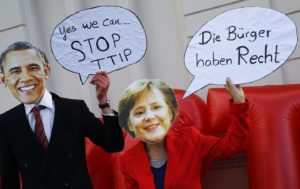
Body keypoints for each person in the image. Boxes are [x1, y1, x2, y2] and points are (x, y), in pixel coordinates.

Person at [0, 41, 124, 189]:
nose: (26, 78)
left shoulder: (75, 109)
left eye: (33, 68)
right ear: (4, 79)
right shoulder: (5, 123)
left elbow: (113, 145)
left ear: (46, 70)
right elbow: (9, 179)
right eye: (15, 71)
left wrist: (103, 101)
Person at [118, 79, 249, 189]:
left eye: (156, 107)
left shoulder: (190, 139)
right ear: (130, 124)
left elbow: (232, 145)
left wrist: (239, 104)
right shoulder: (126, 161)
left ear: (169, 113)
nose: (149, 117)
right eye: (139, 113)